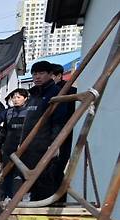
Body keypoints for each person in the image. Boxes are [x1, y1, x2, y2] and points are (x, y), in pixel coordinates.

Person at [19, 60, 69, 201]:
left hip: (44, 147)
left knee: (43, 183)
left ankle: (42, 211)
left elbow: (58, 121)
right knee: (28, 182)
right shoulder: (34, 94)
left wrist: (54, 144)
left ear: (50, 74)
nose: (37, 77)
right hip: (28, 146)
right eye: (34, 74)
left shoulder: (56, 93)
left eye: (41, 73)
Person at [0, 88, 29, 198]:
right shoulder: (9, 112)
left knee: (25, 173)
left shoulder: (30, 112)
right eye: (13, 97)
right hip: (9, 146)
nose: (15, 100)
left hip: (24, 147)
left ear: (25, 99)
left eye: (19, 97)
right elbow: (4, 131)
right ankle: (7, 196)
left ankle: (26, 196)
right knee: (7, 173)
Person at [51, 63, 77, 201]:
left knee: (59, 165)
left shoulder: (72, 91)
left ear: (59, 76)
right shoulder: (46, 91)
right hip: (50, 133)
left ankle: (58, 197)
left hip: (65, 133)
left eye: (51, 76)